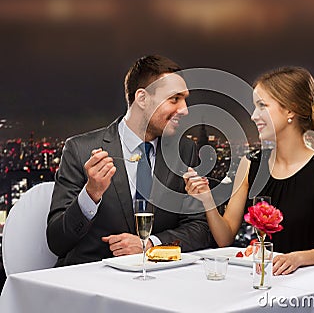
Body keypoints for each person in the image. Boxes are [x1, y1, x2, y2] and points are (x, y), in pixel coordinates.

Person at [47, 55, 213, 266]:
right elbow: (57, 242)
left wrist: (151, 245)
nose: (185, 109)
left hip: (159, 283)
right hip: (92, 283)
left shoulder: (185, 150)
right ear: (142, 99)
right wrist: (90, 194)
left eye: (185, 99)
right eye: (174, 99)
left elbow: (200, 230)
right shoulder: (80, 150)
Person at [184, 66, 314, 276]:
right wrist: (207, 199)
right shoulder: (250, 163)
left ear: (290, 110)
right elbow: (225, 238)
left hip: (307, 281)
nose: (253, 116)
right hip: (261, 279)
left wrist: (296, 258)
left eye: (262, 106)